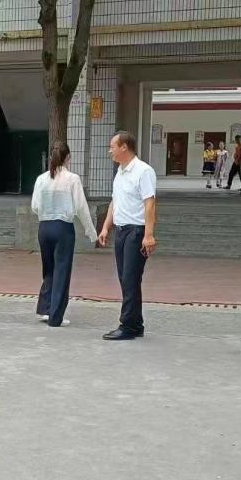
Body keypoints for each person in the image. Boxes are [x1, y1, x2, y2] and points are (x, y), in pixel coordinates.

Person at [97, 131, 157, 341]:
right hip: (121, 231)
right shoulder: (120, 172)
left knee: (130, 278)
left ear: (124, 147)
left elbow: (150, 204)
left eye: (112, 146)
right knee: (125, 278)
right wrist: (106, 227)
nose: (110, 151)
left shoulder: (143, 171)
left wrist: (148, 235)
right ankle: (136, 323)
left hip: (136, 231)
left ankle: (128, 325)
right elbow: (115, 201)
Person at [31, 143, 97, 328]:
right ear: (68, 157)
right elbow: (81, 207)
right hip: (63, 228)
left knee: (49, 269)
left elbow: (35, 206)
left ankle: (45, 308)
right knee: (62, 270)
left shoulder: (41, 179)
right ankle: (56, 317)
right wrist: (91, 231)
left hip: (44, 227)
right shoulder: (72, 179)